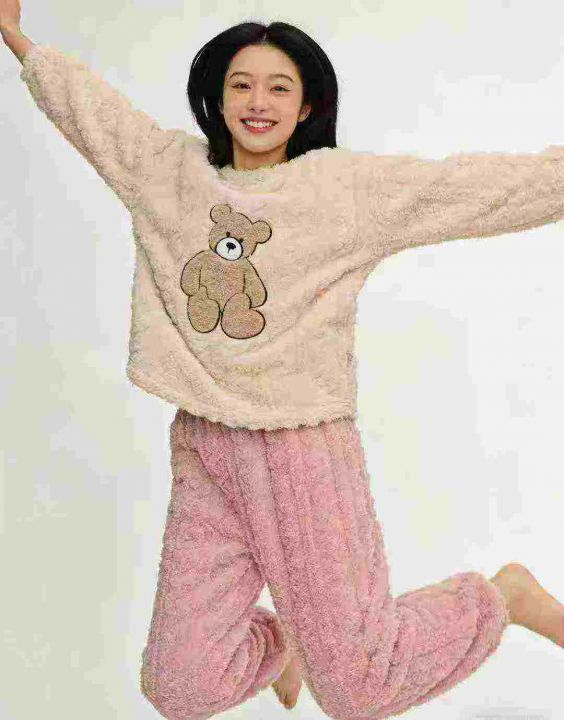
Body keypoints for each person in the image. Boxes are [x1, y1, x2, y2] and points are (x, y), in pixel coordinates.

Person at [2, 3, 563, 718]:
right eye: (241, 85)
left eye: (279, 87)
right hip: (205, 446)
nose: (257, 102)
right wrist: (16, 37)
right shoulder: (168, 174)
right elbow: (93, 114)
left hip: (299, 450)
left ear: (306, 107)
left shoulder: (342, 190)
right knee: (180, 688)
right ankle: (287, 643)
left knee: (358, 688)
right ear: (215, 98)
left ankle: (501, 598)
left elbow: (472, 188)